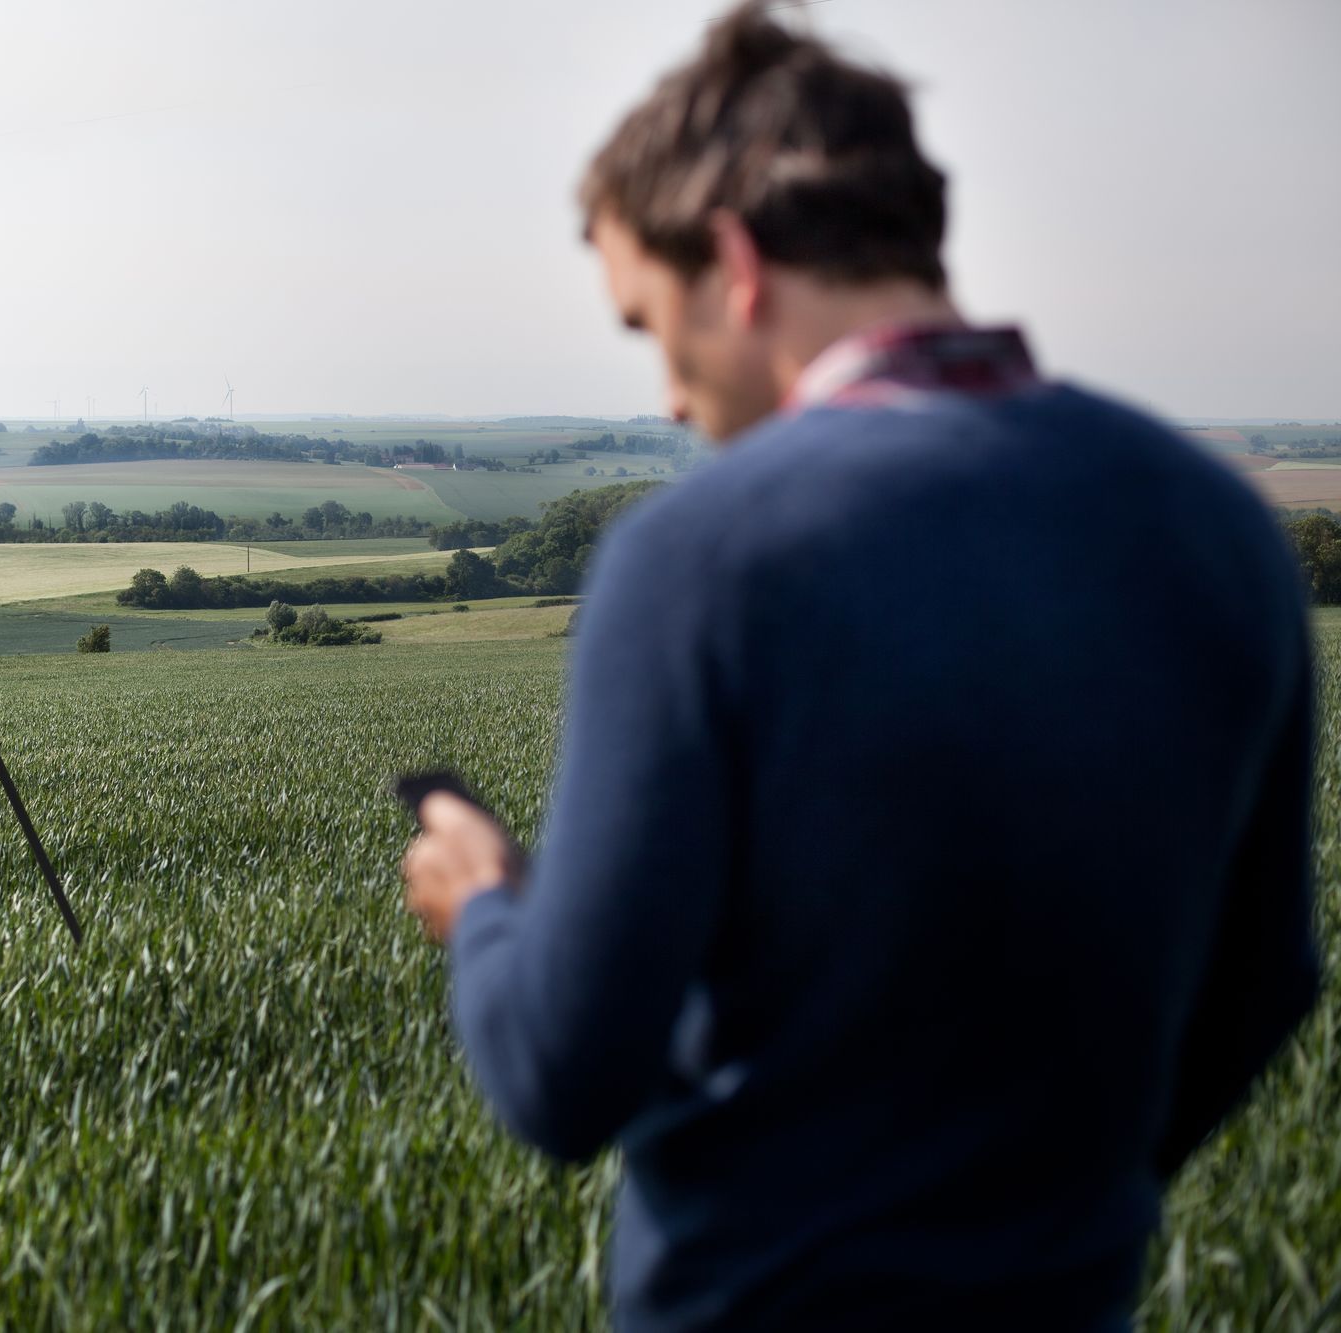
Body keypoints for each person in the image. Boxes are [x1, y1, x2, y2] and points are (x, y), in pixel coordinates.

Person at [398, 6, 1321, 1330]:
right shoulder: (1218, 526)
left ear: (735, 263)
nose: (664, 393)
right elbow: (1269, 982)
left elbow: (561, 1070)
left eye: (650, 323)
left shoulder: (702, 556)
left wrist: (484, 905)